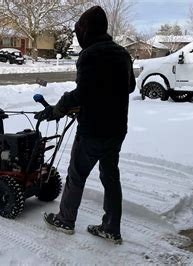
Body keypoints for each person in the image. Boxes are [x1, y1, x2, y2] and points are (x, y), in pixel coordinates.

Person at [35, 5, 135, 244]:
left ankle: (65, 220)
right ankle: (111, 227)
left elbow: (83, 93)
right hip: (117, 129)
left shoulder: (90, 55)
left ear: (86, 31)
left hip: (92, 130)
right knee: (111, 178)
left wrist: (58, 109)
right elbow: (129, 87)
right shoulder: (122, 53)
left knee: (76, 175)